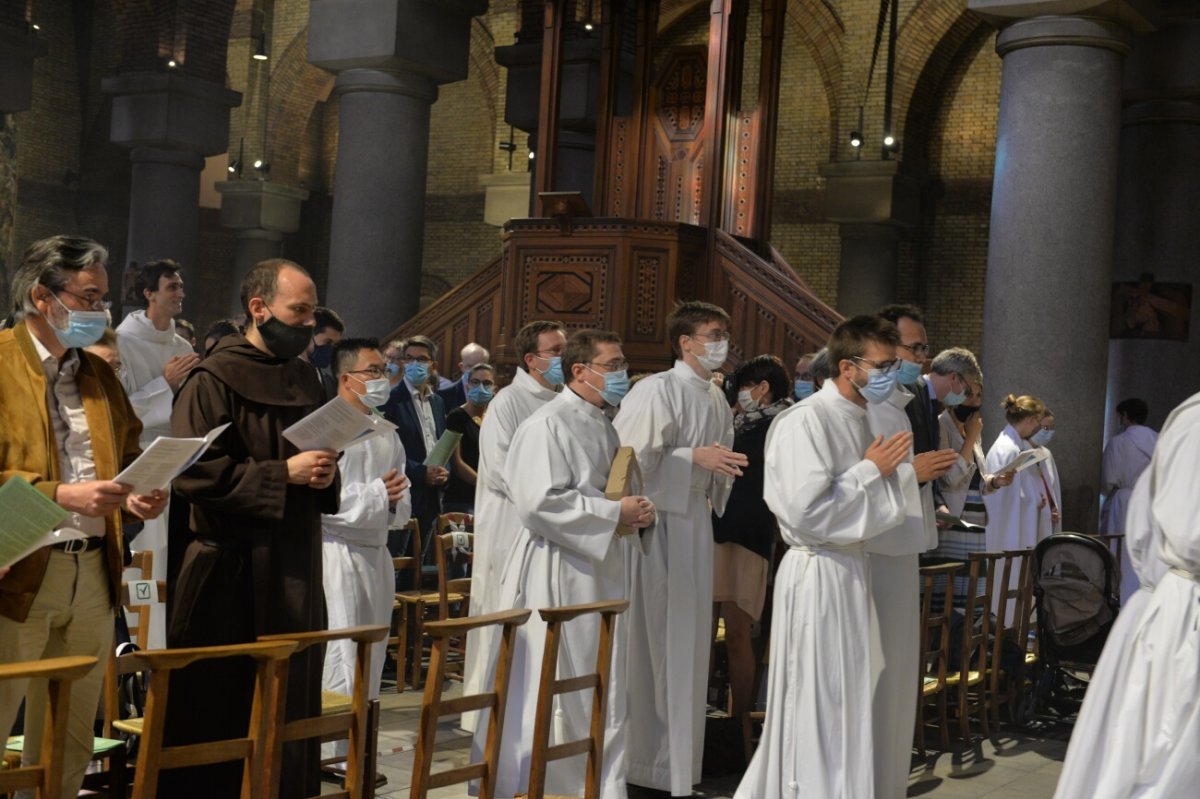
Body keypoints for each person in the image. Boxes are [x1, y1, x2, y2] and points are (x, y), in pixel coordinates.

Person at [163, 258, 340, 798]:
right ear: (259, 308)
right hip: (229, 569)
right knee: (220, 703)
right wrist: (280, 473)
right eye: (299, 311)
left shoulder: (307, 376)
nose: (309, 324)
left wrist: (326, 470)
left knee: (290, 699)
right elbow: (191, 473)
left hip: (294, 562)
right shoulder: (211, 378)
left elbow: (318, 448)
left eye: (312, 313)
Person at [0, 235, 166, 798]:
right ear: (44, 297)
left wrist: (138, 494)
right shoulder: (0, 365)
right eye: (90, 297)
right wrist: (60, 495)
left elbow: (126, 453)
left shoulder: (97, 377)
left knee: (71, 735)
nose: (100, 312)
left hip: (93, 570)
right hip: (18, 570)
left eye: (102, 300)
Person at [734, 315, 914, 799]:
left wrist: (891, 475)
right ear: (848, 366)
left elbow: (876, 509)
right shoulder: (806, 420)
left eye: (895, 363)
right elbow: (804, 512)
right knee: (818, 695)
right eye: (883, 365)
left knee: (848, 695)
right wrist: (870, 471)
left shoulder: (862, 419)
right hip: (817, 570)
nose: (890, 374)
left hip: (853, 567)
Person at [470, 328, 654, 798]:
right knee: (555, 684)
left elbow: (603, 489)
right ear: (580, 370)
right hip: (558, 571)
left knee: (596, 682)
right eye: (612, 366)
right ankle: (544, 784)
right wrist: (614, 513)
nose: (622, 374)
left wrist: (632, 511)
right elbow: (536, 503)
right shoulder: (546, 424)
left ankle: (594, 784)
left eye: (621, 365)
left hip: (596, 567)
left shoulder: (601, 422)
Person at [615, 300, 748, 797]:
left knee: (689, 644)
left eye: (725, 334)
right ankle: (646, 764)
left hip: (693, 524)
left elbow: (720, 459)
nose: (722, 343)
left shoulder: (713, 396)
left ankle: (680, 767)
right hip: (657, 524)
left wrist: (714, 468)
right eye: (713, 334)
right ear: (685, 342)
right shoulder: (656, 390)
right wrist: (692, 456)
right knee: (656, 641)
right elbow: (624, 460)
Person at [1051, 391, 1200, 799]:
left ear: (1121, 415)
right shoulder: (1191, 422)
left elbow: (1110, 481)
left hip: (1142, 530)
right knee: (1161, 748)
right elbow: (1189, 533)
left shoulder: (1123, 442)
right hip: (1182, 596)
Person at [461, 320, 566, 731]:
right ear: (531, 359)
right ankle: (485, 710)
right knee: (501, 612)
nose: (563, 357)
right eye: (555, 351)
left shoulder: (561, 399)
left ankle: (528, 707)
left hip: (547, 524)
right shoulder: (508, 402)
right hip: (511, 523)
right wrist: (549, 496)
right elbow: (502, 471)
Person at [320, 338, 410, 765]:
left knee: (372, 655)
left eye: (383, 370)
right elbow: (323, 502)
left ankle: (358, 749)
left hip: (376, 553)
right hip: (337, 555)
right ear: (346, 378)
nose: (382, 378)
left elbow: (401, 496)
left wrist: (391, 500)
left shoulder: (385, 430)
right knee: (341, 653)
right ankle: (328, 754)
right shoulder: (324, 428)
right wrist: (379, 493)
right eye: (372, 371)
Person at [116, 258, 200, 647]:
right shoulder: (121, 342)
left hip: (177, 463)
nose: (180, 293)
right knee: (147, 554)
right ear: (148, 293)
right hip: (140, 459)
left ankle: (168, 637)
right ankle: (137, 640)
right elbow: (119, 411)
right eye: (172, 287)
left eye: (181, 286)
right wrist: (164, 384)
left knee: (173, 554)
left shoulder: (182, 345)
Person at [710, 355, 791, 749]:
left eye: (743, 387)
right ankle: (704, 718)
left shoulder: (782, 423)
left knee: (740, 632)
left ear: (762, 387)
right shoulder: (734, 419)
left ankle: (738, 724)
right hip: (714, 529)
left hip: (749, 531)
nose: (738, 395)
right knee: (704, 630)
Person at [928, 376, 1014, 608]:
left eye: (978, 396)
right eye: (969, 394)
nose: (974, 401)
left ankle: (965, 639)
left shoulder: (972, 429)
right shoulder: (941, 425)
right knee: (948, 595)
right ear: (955, 394)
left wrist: (995, 481)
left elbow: (977, 477)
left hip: (975, 522)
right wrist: (972, 437)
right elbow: (950, 478)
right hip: (952, 520)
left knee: (971, 596)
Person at [381, 335, 449, 544]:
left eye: (421, 360)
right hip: (404, 492)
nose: (414, 364)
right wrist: (421, 473)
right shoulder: (391, 399)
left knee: (420, 568)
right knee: (398, 563)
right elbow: (387, 451)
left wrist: (445, 472)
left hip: (432, 495)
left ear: (433, 365)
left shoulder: (437, 401)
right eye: (409, 359)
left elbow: (441, 443)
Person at [983, 394, 1052, 555]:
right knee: (1008, 575)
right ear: (1030, 419)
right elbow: (1004, 496)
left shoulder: (1013, 445)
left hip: (1012, 522)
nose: (1036, 428)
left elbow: (1017, 491)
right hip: (1007, 525)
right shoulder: (1008, 448)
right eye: (1037, 422)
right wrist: (1035, 500)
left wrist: (1035, 499)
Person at [1100, 398, 1157, 546]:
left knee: (1121, 549)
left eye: (1120, 416)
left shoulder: (1118, 442)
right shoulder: (1158, 440)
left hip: (1125, 502)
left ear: (1125, 415)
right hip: (1151, 500)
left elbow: (1108, 479)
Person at [443, 363, 494, 514]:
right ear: (467, 386)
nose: (481, 387)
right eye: (475, 382)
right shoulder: (456, 416)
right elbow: (457, 464)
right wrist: (485, 484)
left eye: (487, 383)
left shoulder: (494, 417)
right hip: (462, 499)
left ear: (494, 388)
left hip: (488, 499)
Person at [303, 305, 344, 400]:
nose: (331, 348)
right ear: (308, 335)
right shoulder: (283, 372)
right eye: (328, 342)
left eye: (335, 345)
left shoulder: (330, 383)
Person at [1032, 408, 1063, 534]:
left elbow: (1052, 487)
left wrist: (1054, 508)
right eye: (1044, 428)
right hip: (1030, 520)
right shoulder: (1018, 451)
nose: (1048, 432)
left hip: (1048, 519)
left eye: (1050, 428)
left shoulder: (1046, 454)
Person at [437, 341, 491, 410]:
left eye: (480, 367)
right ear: (461, 367)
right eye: (470, 367)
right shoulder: (443, 396)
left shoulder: (495, 399)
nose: (475, 372)